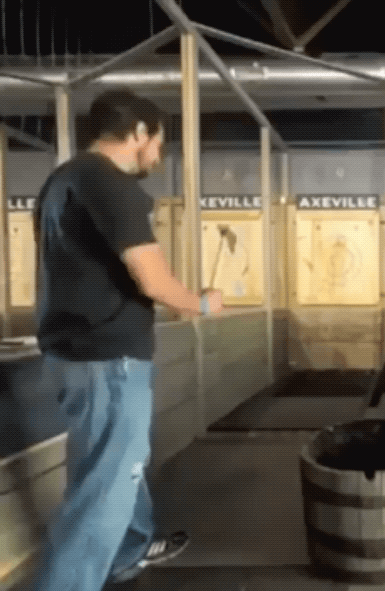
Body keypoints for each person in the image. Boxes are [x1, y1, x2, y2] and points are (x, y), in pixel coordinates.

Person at [30, 88, 224, 591]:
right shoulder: (111, 184)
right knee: (103, 490)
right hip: (108, 357)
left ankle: (129, 550)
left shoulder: (63, 179)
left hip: (75, 354)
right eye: (158, 142)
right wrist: (200, 303)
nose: (158, 154)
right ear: (139, 132)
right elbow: (152, 279)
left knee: (115, 465)